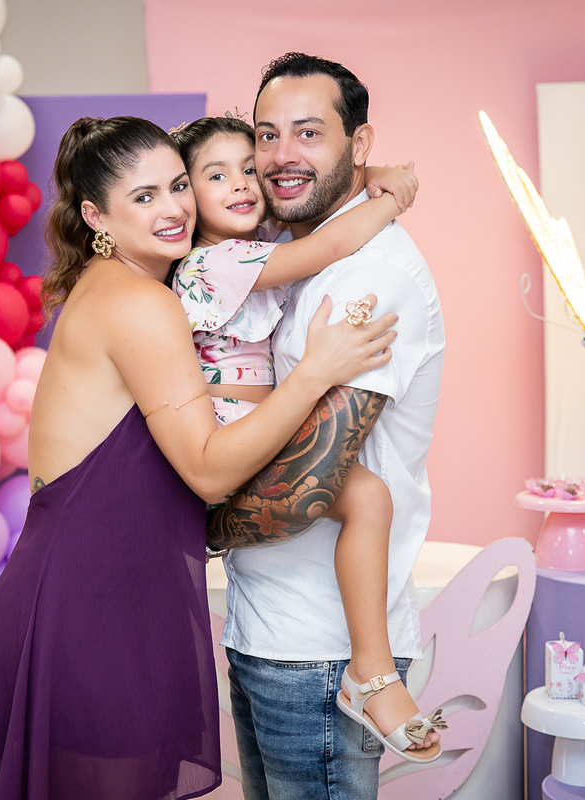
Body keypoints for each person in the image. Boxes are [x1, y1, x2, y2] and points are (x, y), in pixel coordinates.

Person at [0, 115, 398, 800]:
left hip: (86, 594)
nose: (174, 208)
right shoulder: (140, 304)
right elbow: (210, 471)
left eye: (179, 186)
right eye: (144, 196)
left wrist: (363, 180)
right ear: (96, 216)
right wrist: (315, 373)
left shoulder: (128, 285)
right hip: (89, 608)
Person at [205, 53, 447, 798]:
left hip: (322, 650)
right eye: (267, 135)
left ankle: (374, 677)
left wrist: (200, 523)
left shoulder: (372, 277)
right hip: (266, 629)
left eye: (308, 133)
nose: (281, 155)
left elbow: (308, 486)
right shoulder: (273, 251)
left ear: (358, 143)